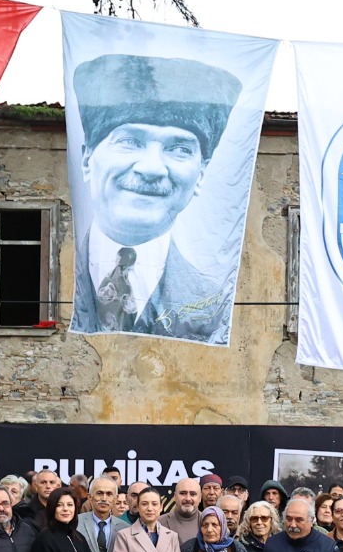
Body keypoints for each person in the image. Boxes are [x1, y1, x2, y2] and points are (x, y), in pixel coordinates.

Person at [67, 51, 248, 341]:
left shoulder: (211, 302)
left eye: (179, 149)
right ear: (87, 159)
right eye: (130, 141)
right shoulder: (48, 283)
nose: (151, 168)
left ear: (201, 173)